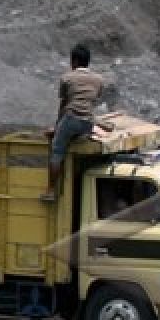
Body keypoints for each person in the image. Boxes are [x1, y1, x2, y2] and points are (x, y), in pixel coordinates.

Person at [40, 44, 103, 202]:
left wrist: (57, 127)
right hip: (88, 123)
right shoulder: (98, 80)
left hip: (71, 119)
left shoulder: (67, 78)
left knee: (57, 150)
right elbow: (94, 100)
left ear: (74, 61)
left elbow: (64, 103)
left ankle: (51, 190)